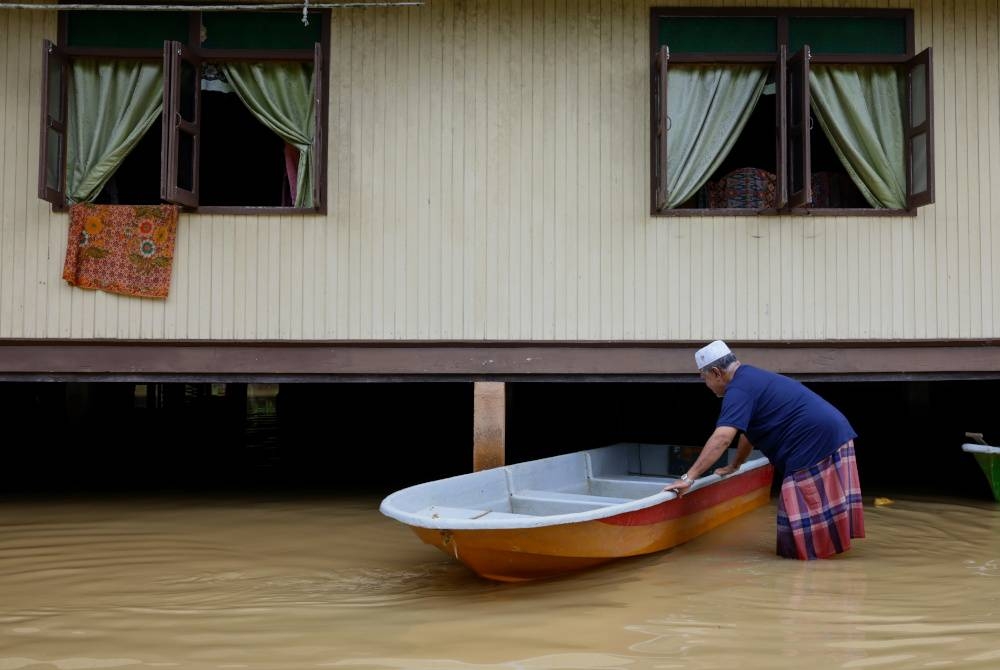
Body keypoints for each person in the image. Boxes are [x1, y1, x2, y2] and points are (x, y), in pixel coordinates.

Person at [663, 340, 865, 560]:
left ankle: (813, 575)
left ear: (716, 372)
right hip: (830, 435)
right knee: (800, 527)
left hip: (815, 442)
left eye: (705, 378)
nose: (707, 385)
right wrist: (735, 465)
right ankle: (825, 567)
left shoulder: (738, 389)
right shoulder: (749, 378)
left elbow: (722, 438)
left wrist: (688, 478)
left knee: (797, 534)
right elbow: (748, 434)